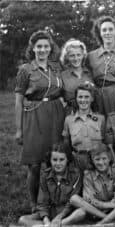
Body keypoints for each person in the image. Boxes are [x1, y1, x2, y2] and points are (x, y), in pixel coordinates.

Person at [15, 30, 65, 212]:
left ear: (50, 48)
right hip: (34, 115)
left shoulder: (57, 67)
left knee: (55, 161)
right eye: (39, 46)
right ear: (33, 48)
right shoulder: (25, 69)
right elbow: (18, 101)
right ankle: (34, 203)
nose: (43, 49)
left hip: (56, 114)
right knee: (35, 164)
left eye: (46, 46)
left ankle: (53, 200)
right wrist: (19, 129)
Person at [69, 143, 115, 225]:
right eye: (97, 159)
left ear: (109, 158)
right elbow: (89, 199)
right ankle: (107, 218)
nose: (101, 162)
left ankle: (102, 222)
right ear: (92, 160)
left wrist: (110, 205)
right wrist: (105, 205)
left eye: (104, 158)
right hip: (96, 210)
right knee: (74, 199)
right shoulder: (88, 175)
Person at [18, 143, 83, 226]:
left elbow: (72, 202)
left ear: (67, 160)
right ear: (50, 160)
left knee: (81, 213)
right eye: (55, 160)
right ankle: (49, 225)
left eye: (62, 160)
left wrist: (59, 217)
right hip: (50, 213)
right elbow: (42, 202)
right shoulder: (45, 175)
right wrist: (46, 220)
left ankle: (59, 224)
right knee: (22, 219)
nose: (58, 163)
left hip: (66, 214)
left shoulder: (75, 175)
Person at [62, 82, 105, 171]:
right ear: (76, 99)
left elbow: (104, 142)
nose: (83, 100)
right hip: (78, 161)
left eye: (86, 97)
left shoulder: (101, 119)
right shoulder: (69, 120)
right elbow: (66, 144)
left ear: (92, 98)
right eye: (80, 97)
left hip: (97, 161)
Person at [60, 38, 94, 115]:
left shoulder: (90, 73)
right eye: (72, 55)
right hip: (71, 115)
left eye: (78, 55)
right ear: (67, 57)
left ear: (83, 55)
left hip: (91, 113)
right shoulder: (62, 76)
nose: (76, 59)